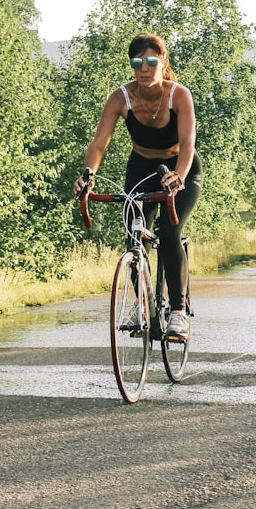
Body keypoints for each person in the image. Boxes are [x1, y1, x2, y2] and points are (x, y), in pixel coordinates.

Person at [73, 33, 202, 338]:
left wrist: (179, 176)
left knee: (170, 232)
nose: (144, 68)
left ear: (162, 62)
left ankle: (178, 310)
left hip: (180, 168)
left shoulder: (178, 95)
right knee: (135, 233)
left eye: (151, 61)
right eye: (137, 62)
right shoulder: (122, 97)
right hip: (142, 168)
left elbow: (187, 143)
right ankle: (141, 306)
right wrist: (88, 174)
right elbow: (99, 144)